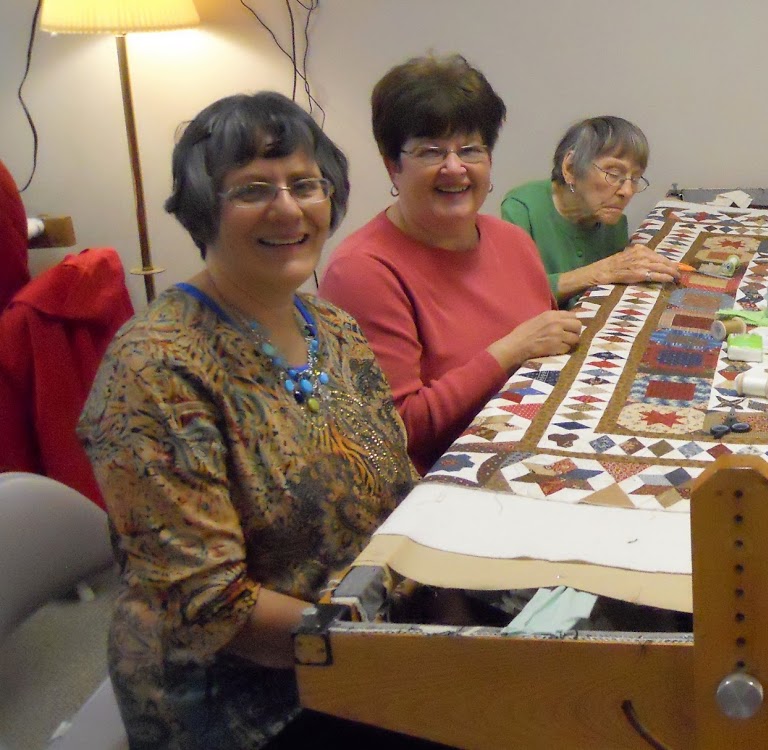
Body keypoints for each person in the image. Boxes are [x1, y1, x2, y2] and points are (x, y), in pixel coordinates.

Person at [77, 92, 427, 749]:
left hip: (368, 641)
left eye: (305, 184)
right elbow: (214, 609)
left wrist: (442, 611)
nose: (288, 209)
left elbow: (399, 489)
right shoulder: (156, 368)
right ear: (204, 208)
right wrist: (403, 656)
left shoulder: (332, 327)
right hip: (249, 702)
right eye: (253, 189)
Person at [321, 53, 581, 472]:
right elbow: (398, 430)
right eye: (431, 152)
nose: (455, 167)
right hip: (444, 484)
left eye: (471, 150)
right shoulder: (362, 272)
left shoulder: (512, 242)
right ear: (392, 167)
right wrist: (509, 351)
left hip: (539, 450)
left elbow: (552, 352)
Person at [500, 116, 678, 302]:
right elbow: (513, 294)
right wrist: (600, 272)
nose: (627, 191)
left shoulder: (614, 222)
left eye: (635, 178)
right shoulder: (522, 209)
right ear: (571, 168)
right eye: (613, 173)